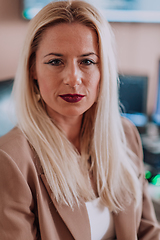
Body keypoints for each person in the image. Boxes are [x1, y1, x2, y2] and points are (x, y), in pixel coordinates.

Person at [0, 1, 159, 239]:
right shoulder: (11, 160)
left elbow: (147, 231)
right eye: (55, 61)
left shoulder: (125, 135)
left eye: (87, 61)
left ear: (102, 69)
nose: (73, 78)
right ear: (33, 69)